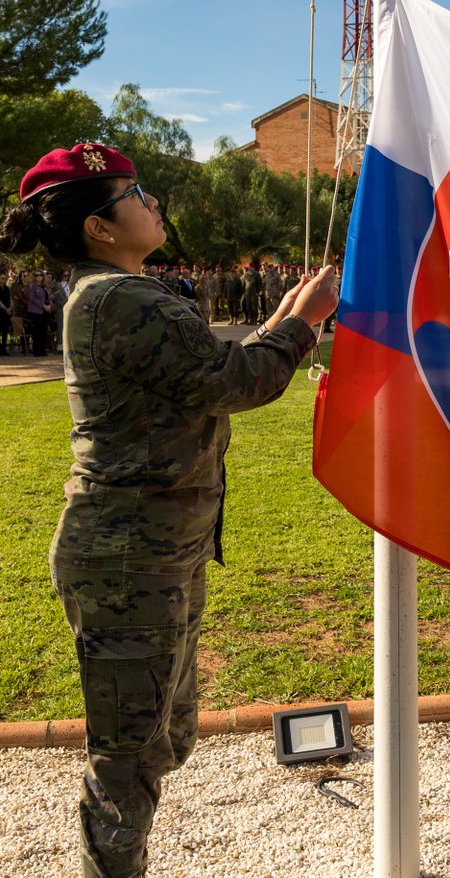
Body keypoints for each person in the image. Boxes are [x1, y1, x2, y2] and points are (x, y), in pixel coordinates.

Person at [0, 141, 338, 878]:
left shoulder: (119, 294)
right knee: (128, 762)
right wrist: (301, 321)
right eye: (135, 192)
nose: (153, 202)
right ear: (99, 226)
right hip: (128, 555)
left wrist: (283, 316)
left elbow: (208, 372)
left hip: (156, 548)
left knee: (164, 737)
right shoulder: (119, 298)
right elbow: (234, 382)